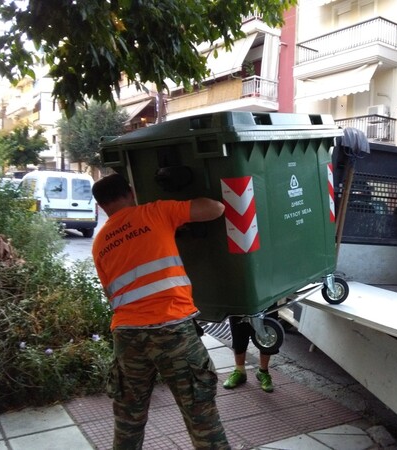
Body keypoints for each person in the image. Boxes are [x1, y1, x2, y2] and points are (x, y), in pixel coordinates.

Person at [91, 173, 230, 450]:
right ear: (130, 192)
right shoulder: (155, 212)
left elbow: (112, 295)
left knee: (129, 417)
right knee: (200, 413)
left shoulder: (100, 243)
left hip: (127, 336)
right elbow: (216, 208)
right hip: (173, 330)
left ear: (101, 206)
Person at [222, 311, 279, 393]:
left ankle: (263, 371)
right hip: (239, 302)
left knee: (267, 332)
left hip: (266, 299)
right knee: (238, 331)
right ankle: (240, 371)